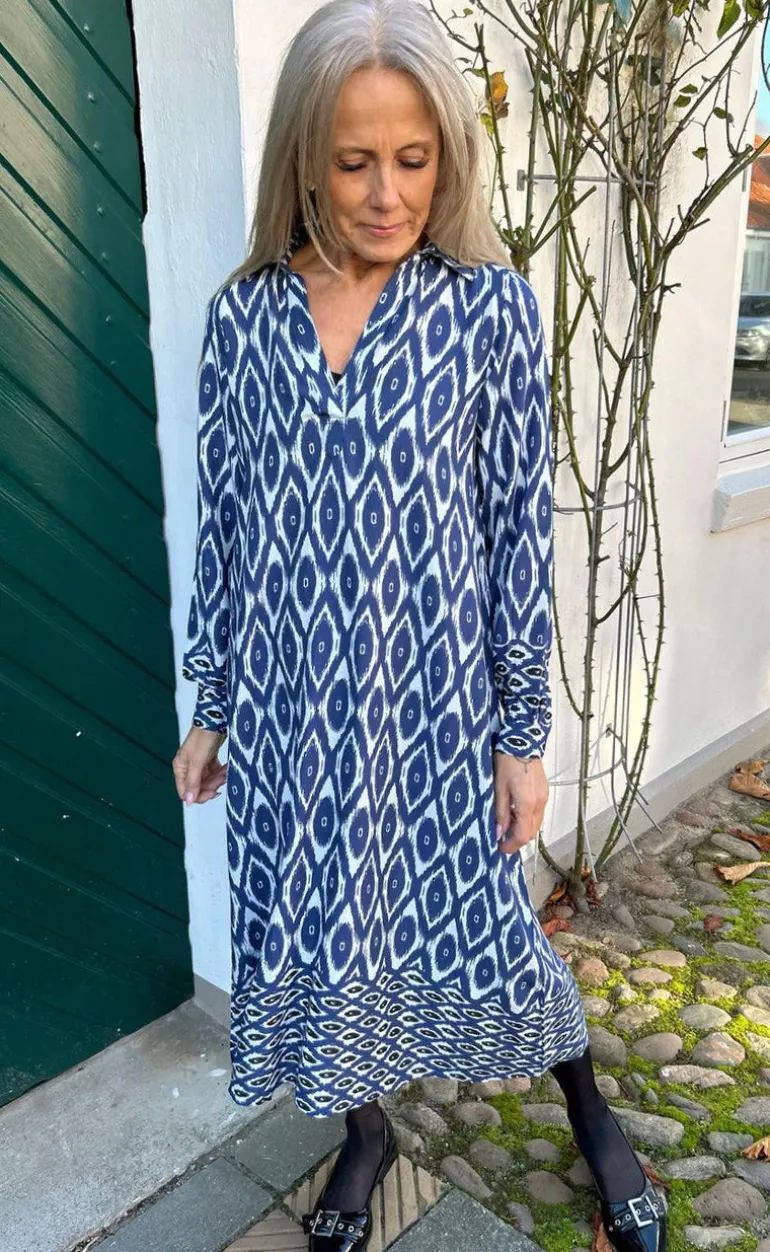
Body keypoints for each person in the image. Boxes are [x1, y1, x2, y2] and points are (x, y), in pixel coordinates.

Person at [172, 2, 668, 1250]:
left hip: (431, 716)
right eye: (353, 162)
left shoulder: (484, 310)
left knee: (489, 932)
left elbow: (514, 539)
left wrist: (521, 736)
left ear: (447, 154)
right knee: (324, 934)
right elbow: (225, 527)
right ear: (305, 155)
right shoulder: (245, 322)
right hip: (292, 717)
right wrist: (211, 704)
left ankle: (588, 1108)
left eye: (412, 158)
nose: (385, 193)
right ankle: (365, 1134)